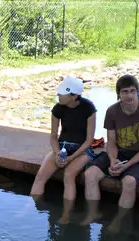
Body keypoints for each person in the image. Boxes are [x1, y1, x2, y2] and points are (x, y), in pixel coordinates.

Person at [83, 74, 139, 226]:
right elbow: (111, 142)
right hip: (119, 151)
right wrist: (112, 160)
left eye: (132, 91)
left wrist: (127, 165)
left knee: (129, 182)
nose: (129, 95)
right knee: (89, 174)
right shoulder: (112, 111)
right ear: (118, 94)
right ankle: (92, 213)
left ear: (138, 92)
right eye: (125, 91)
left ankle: (119, 221)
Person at [30, 76, 96, 223]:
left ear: (74, 96)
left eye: (62, 93)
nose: (58, 95)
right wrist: (57, 152)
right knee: (40, 176)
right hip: (62, 147)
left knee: (69, 175)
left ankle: (66, 214)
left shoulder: (88, 108)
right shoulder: (58, 108)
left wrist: (70, 158)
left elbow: (89, 140)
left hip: (83, 149)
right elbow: (53, 136)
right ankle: (31, 207)